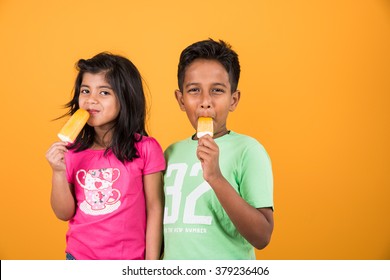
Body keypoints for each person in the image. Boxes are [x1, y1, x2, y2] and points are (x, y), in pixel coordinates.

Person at [45, 52, 165, 260]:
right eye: (85, 90)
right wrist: (57, 171)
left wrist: (151, 266)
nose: (91, 100)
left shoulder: (145, 149)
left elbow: (155, 208)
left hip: (130, 260)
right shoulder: (71, 152)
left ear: (125, 98)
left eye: (104, 93)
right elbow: (64, 213)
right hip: (80, 258)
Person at [163, 39, 274, 259]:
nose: (205, 102)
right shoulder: (170, 153)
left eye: (217, 90)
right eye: (194, 90)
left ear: (234, 99)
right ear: (181, 99)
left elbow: (262, 236)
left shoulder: (249, 151)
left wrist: (215, 177)